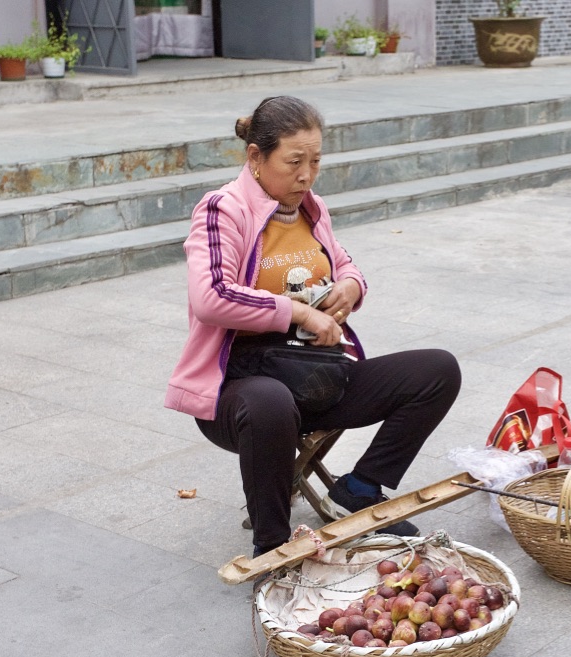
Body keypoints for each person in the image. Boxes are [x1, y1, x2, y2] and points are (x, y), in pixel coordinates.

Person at [165, 95, 461, 557]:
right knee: (270, 402)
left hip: (312, 371)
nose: (306, 175)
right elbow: (211, 296)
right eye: (294, 162)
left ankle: (360, 489)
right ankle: (274, 548)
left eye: (316, 161)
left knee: (438, 370)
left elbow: (345, 263)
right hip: (239, 387)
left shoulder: (311, 207)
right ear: (256, 158)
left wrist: (350, 286)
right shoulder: (223, 210)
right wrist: (298, 312)